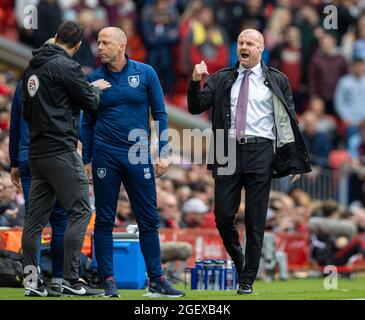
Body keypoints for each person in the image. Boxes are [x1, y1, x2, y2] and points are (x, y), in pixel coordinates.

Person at [187, 28, 311, 294]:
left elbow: (289, 121)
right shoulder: (221, 78)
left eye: (250, 43)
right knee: (222, 216)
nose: (244, 46)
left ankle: (246, 281)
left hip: (261, 150)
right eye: (241, 42)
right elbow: (196, 107)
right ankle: (242, 262)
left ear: (261, 48)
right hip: (226, 148)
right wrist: (194, 81)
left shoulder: (278, 80)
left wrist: (296, 161)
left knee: (255, 220)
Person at [81, 27, 184, 298]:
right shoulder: (93, 79)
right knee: (104, 220)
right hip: (105, 156)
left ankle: (157, 281)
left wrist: (163, 151)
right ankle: (108, 282)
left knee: (149, 219)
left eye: (105, 43)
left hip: (138, 155)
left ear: (122, 45)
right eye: (98, 42)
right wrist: (87, 159)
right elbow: (87, 123)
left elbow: (160, 115)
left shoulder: (146, 73)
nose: (100, 47)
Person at [21, 21, 110, 297]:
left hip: (37, 152)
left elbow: (27, 110)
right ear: (79, 45)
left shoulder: (31, 67)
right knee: (81, 211)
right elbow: (90, 102)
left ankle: (31, 283)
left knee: (34, 221)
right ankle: (72, 279)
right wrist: (93, 88)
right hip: (60, 149)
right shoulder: (67, 66)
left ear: (56, 36)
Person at [9, 76, 68, 293]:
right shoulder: (60, 81)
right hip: (56, 156)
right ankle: (60, 281)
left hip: (27, 157)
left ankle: (31, 282)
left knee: (33, 221)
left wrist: (14, 161)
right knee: (61, 219)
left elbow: (15, 125)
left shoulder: (23, 84)